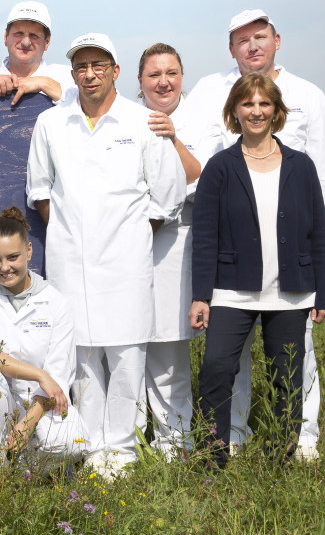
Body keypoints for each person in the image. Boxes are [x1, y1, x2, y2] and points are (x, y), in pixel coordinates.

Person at [26, 33, 185, 478]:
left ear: (116, 71)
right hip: (68, 259)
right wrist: (74, 231)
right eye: (81, 66)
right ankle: (91, 447)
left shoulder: (144, 121)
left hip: (127, 261)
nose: (89, 74)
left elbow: (167, 197)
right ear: (73, 72)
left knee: (127, 357)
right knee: (81, 359)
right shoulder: (52, 124)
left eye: (99, 65)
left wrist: (124, 234)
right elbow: (40, 189)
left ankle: (122, 451)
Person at [185, 9, 325, 460]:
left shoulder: (300, 164)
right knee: (217, 368)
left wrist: (323, 294)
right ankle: (214, 451)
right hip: (233, 288)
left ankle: (284, 453)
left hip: (289, 289)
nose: (256, 112)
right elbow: (206, 236)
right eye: (247, 105)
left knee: (288, 374)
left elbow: (316, 227)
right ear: (234, 112)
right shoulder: (220, 166)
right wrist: (202, 295)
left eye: (264, 105)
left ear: (277, 111)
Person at [0, 207, 87, 471]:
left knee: (70, 443)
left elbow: (58, 372)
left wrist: (28, 421)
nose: (4, 268)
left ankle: (30, 469)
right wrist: (39, 374)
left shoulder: (55, 302)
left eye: (13, 257)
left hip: (39, 402)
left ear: (28, 252)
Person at [136, 44, 219, 458]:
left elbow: (201, 179)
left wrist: (172, 136)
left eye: (171, 73)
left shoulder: (202, 120)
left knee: (168, 346)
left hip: (176, 240)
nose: (163, 81)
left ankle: (175, 442)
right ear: (139, 81)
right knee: (127, 341)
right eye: (154, 74)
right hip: (127, 240)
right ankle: (130, 440)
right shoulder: (127, 118)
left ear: (182, 77)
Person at [0, 1, 75, 103]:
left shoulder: (71, 79)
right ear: (5, 37)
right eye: (19, 33)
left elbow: (89, 110)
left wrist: (44, 84)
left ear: (47, 42)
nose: (26, 42)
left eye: (34, 35)